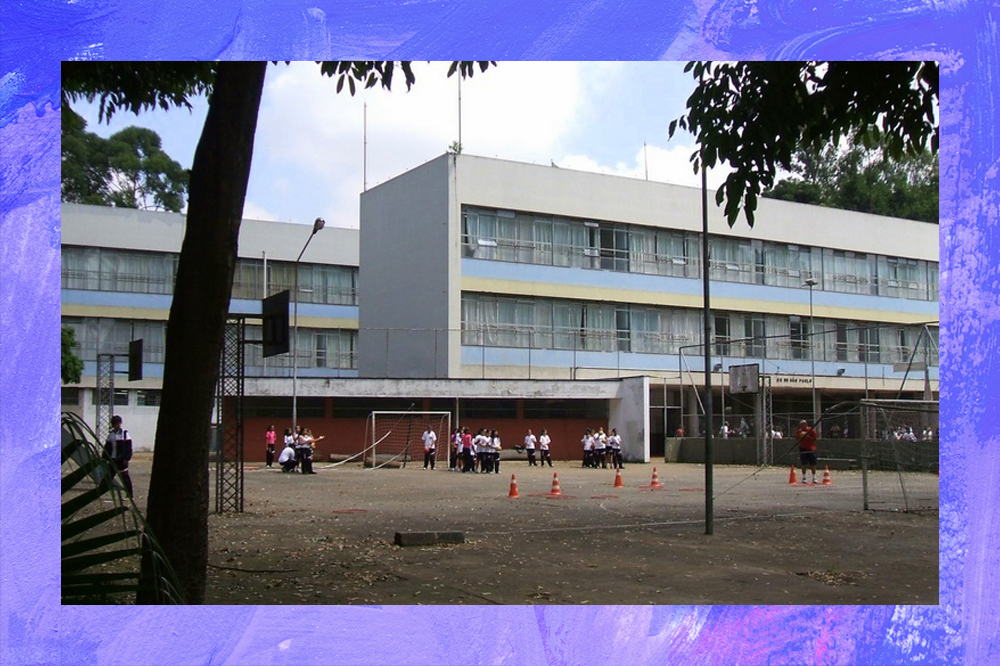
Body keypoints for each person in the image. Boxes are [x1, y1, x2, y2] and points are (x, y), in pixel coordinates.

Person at [103, 415, 134, 496]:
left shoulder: (125, 434)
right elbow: (107, 447)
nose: (118, 425)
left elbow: (128, 447)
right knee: (108, 477)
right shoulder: (111, 435)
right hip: (113, 459)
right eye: (116, 423)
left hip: (121, 460)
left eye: (119, 423)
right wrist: (105, 458)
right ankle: (100, 491)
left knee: (125, 478)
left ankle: (130, 494)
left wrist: (127, 458)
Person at [794, 419, 819, 484]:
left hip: (811, 449)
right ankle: (804, 477)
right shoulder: (799, 431)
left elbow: (815, 438)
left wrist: (807, 437)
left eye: (803, 425)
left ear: (806, 424)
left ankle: (814, 477)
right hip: (803, 448)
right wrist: (801, 436)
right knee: (804, 463)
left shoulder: (811, 430)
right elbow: (796, 438)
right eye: (800, 425)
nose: (802, 426)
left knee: (812, 464)